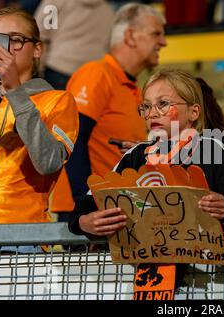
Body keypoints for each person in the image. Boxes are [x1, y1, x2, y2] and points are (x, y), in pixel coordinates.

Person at [68, 68, 224, 236]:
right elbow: (89, 200)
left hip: (204, 274)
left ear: (193, 112)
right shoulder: (136, 155)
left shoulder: (210, 149)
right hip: (143, 269)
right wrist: (83, 222)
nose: (152, 113)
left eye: (163, 104)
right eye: (146, 106)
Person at [50, 2, 167, 217]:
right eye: (156, 34)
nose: (164, 42)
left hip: (118, 210)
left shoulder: (135, 89)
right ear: (131, 36)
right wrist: (85, 204)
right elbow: (72, 139)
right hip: (90, 214)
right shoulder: (97, 74)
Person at [0, 7, 78, 225]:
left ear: (37, 50)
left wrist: (15, 91)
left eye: (15, 40)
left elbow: (49, 163)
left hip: (21, 239)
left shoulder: (58, 100)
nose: (4, 51)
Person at [34, 0, 115, 90]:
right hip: (91, 75)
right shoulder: (108, 11)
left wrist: (37, 68)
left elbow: (38, 33)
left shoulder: (56, 2)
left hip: (58, 67)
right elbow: (109, 45)